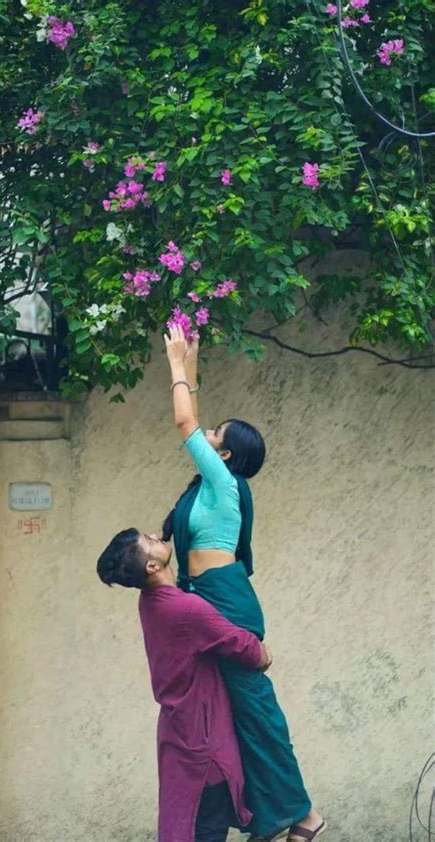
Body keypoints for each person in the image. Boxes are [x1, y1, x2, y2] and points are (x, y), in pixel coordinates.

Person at [162, 326, 326, 842]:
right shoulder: (219, 482)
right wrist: (193, 357)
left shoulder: (222, 482)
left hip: (226, 607)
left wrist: (172, 365)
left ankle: (303, 814)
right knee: (228, 718)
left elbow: (185, 418)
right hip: (214, 603)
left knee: (258, 715)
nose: (207, 436)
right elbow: (198, 416)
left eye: (216, 439)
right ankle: (260, 816)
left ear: (226, 456)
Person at [96, 527, 274, 842]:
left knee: (190, 827)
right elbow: (247, 649)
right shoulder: (185, 610)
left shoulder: (151, 601)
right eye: (149, 541)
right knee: (207, 831)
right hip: (203, 745)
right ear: (152, 567)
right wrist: (263, 654)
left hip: (180, 734)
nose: (155, 535)